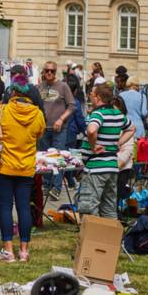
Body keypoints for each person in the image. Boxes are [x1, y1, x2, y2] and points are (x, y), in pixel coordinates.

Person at [0, 73, 46, 262]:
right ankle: (24, 250)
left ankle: (8, 250)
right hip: (26, 166)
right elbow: (39, 135)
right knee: (24, 207)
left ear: (13, 91)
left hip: (4, 165)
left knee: (5, 207)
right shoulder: (38, 114)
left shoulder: (2, 110)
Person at [78, 83, 128, 218]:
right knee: (109, 207)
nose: (91, 99)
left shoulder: (98, 114)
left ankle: (91, 237)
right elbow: (131, 128)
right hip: (112, 166)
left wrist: (93, 146)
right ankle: (109, 237)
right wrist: (118, 143)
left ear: (98, 97)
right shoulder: (118, 114)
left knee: (89, 206)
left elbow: (92, 130)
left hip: (96, 167)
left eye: (92, 96)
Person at [38, 61, 74, 195]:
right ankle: (47, 185)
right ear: (43, 71)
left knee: (58, 157)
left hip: (60, 129)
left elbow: (72, 106)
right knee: (45, 158)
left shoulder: (63, 86)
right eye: (47, 70)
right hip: (43, 128)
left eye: (52, 71)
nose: (49, 73)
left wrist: (61, 119)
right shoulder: (39, 87)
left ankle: (57, 188)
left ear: (55, 72)